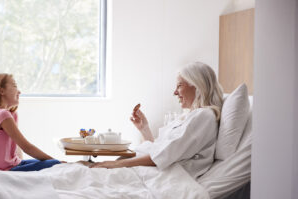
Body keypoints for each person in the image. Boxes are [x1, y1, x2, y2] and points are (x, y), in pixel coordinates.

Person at [91, 62, 224, 179]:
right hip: (156, 170)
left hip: (168, 177)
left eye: (179, 86)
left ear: (197, 85)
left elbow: (164, 156)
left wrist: (115, 164)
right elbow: (163, 151)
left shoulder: (204, 116)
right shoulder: (190, 116)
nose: (175, 92)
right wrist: (144, 129)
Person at [0, 73, 61, 171]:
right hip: (6, 170)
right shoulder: (2, 115)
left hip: (15, 163)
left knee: (52, 163)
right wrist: (57, 162)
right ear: (1, 90)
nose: (19, 91)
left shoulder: (3, 114)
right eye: (15, 86)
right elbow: (27, 147)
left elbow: (17, 148)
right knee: (55, 163)